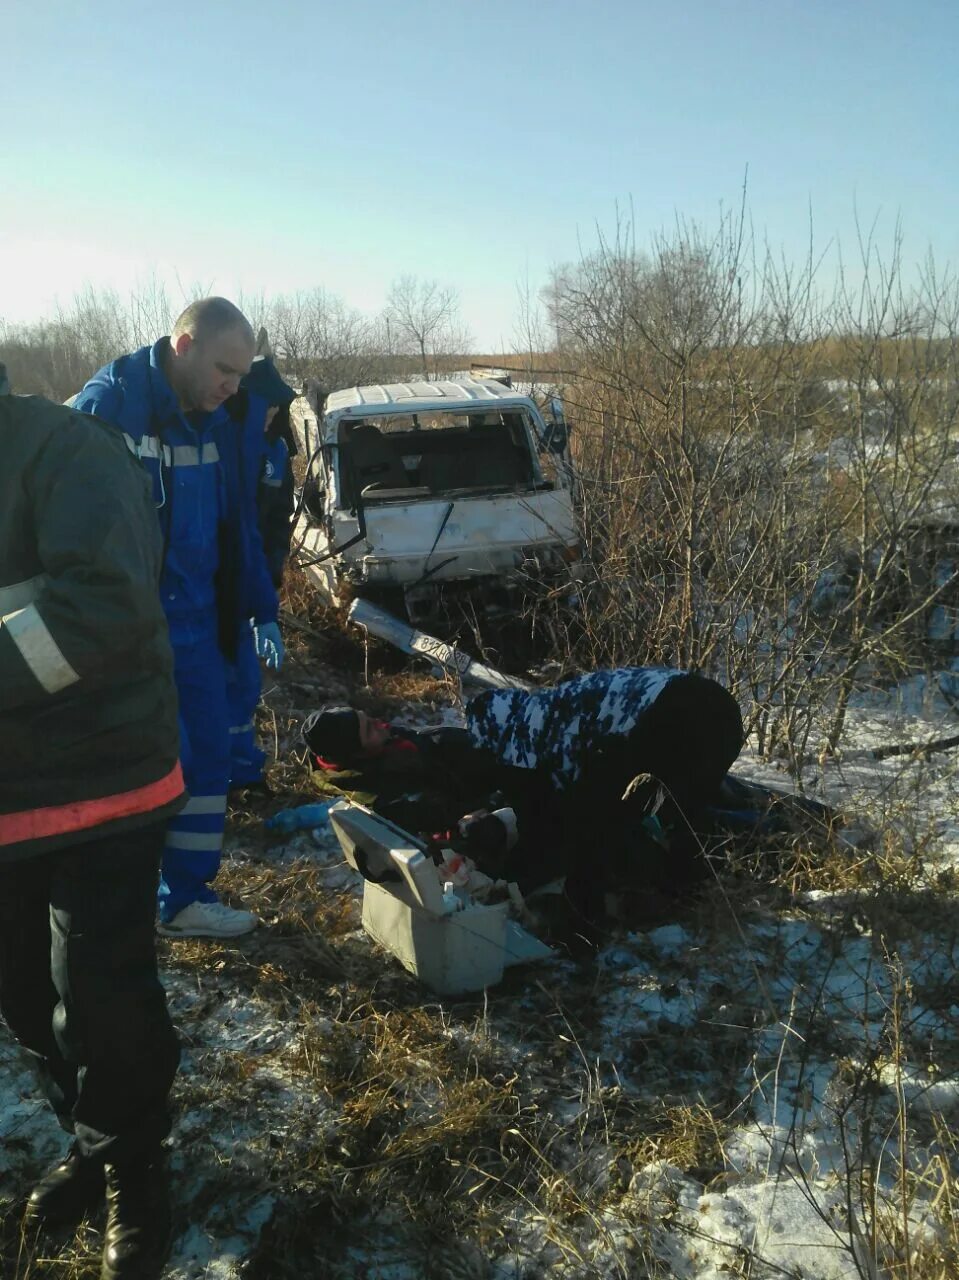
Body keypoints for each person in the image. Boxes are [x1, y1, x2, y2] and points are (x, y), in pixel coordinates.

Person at [0, 366, 184, 1278]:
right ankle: (90, 1133)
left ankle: (131, 1170)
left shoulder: (61, 447)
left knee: (102, 989)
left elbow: (104, 604)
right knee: (25, 992)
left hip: (101, 781)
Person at [74, 298, 282, 938]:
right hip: (129, 635)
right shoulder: (111, 407)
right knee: (139, 774)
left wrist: (260, 609)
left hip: (195, 627)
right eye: (225, 369)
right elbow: (71, 532)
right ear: (183, 346)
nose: (234, 386)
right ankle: (108, 912)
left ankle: (186, 899)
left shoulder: (215, 419)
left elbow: (236, 526)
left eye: (242, 376)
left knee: (208, 760)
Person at [304, 669, 744, 915]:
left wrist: (539, 881)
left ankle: (694, 890)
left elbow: (572, 815)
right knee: (661, 807)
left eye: (370, 720)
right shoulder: (537, 718)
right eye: (368, 730)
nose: (381, 724)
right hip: (695, 700)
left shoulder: (537, 746)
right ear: (351, 756)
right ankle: (695, 878)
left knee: (661, 812)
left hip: (685, 718)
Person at [225, 352, 297, 789]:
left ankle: (244, 775)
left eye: (278, 406)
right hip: (215, 587)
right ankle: (218, 777)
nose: (274, 413)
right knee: (217, 687)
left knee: (245, 684)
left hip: (252, 583)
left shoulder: (276, 450)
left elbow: (274, 524)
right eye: (267, 405)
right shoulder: (221, 448)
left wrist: (267, 594)